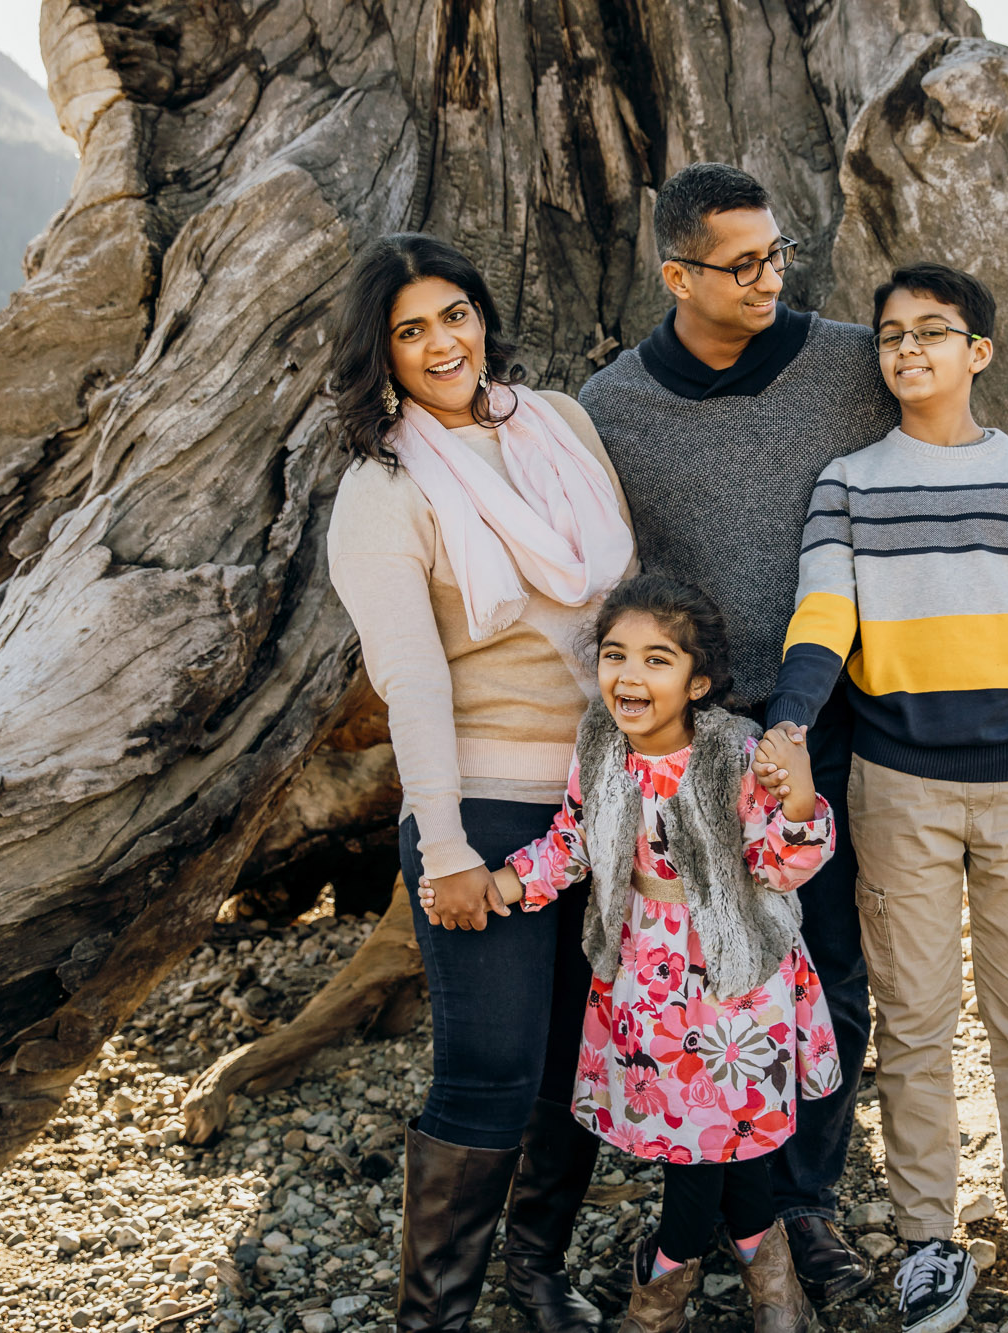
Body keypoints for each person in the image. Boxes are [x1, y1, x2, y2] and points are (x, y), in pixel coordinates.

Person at [578, 162, 1008, 1306]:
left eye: (776, 255)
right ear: (675, 274)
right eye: (740, 264)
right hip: (697, 741)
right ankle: (705, 1207)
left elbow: (966, 451)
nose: (767, 279)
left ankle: (802, 1207)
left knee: (832, 970)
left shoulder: (852, 360)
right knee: (697, 975)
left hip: (838, 720)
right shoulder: (611, 407)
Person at [761, 263, 1008, 1333]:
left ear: (980, 350)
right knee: (915, 1026)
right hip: (897, 788)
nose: (907, 349)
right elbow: (822, 618)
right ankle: (929, 1242)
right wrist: (788, 716)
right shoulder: (848, 482)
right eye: (889, 335)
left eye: (932, 331)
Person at [324, 233, 637, 1333]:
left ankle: (537, 1276)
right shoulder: (383, 487)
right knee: (488, 1071)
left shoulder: (558, 424)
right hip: (488, 810)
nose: (440, 342)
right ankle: (433, 1318)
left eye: (452, 314)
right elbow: (409, 678)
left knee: (580, 1061)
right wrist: (444, 843)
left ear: (481, 316)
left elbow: (624, 605)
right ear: (382, 355)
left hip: (606, 800)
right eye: (409, 331)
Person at [430, 573, 834, 1333]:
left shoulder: (736, 754)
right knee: (710, 1141)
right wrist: (504, 884)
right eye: (616, 655)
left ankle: (661, 1294)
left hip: (732, 982)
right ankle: (773, 1289)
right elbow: (574, 841)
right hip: (648, 980)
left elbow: (782, 864)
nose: (630, 674)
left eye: (657, 659)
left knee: (717, 1142)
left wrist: (802, 800)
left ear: (698, 681)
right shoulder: (602, 746)